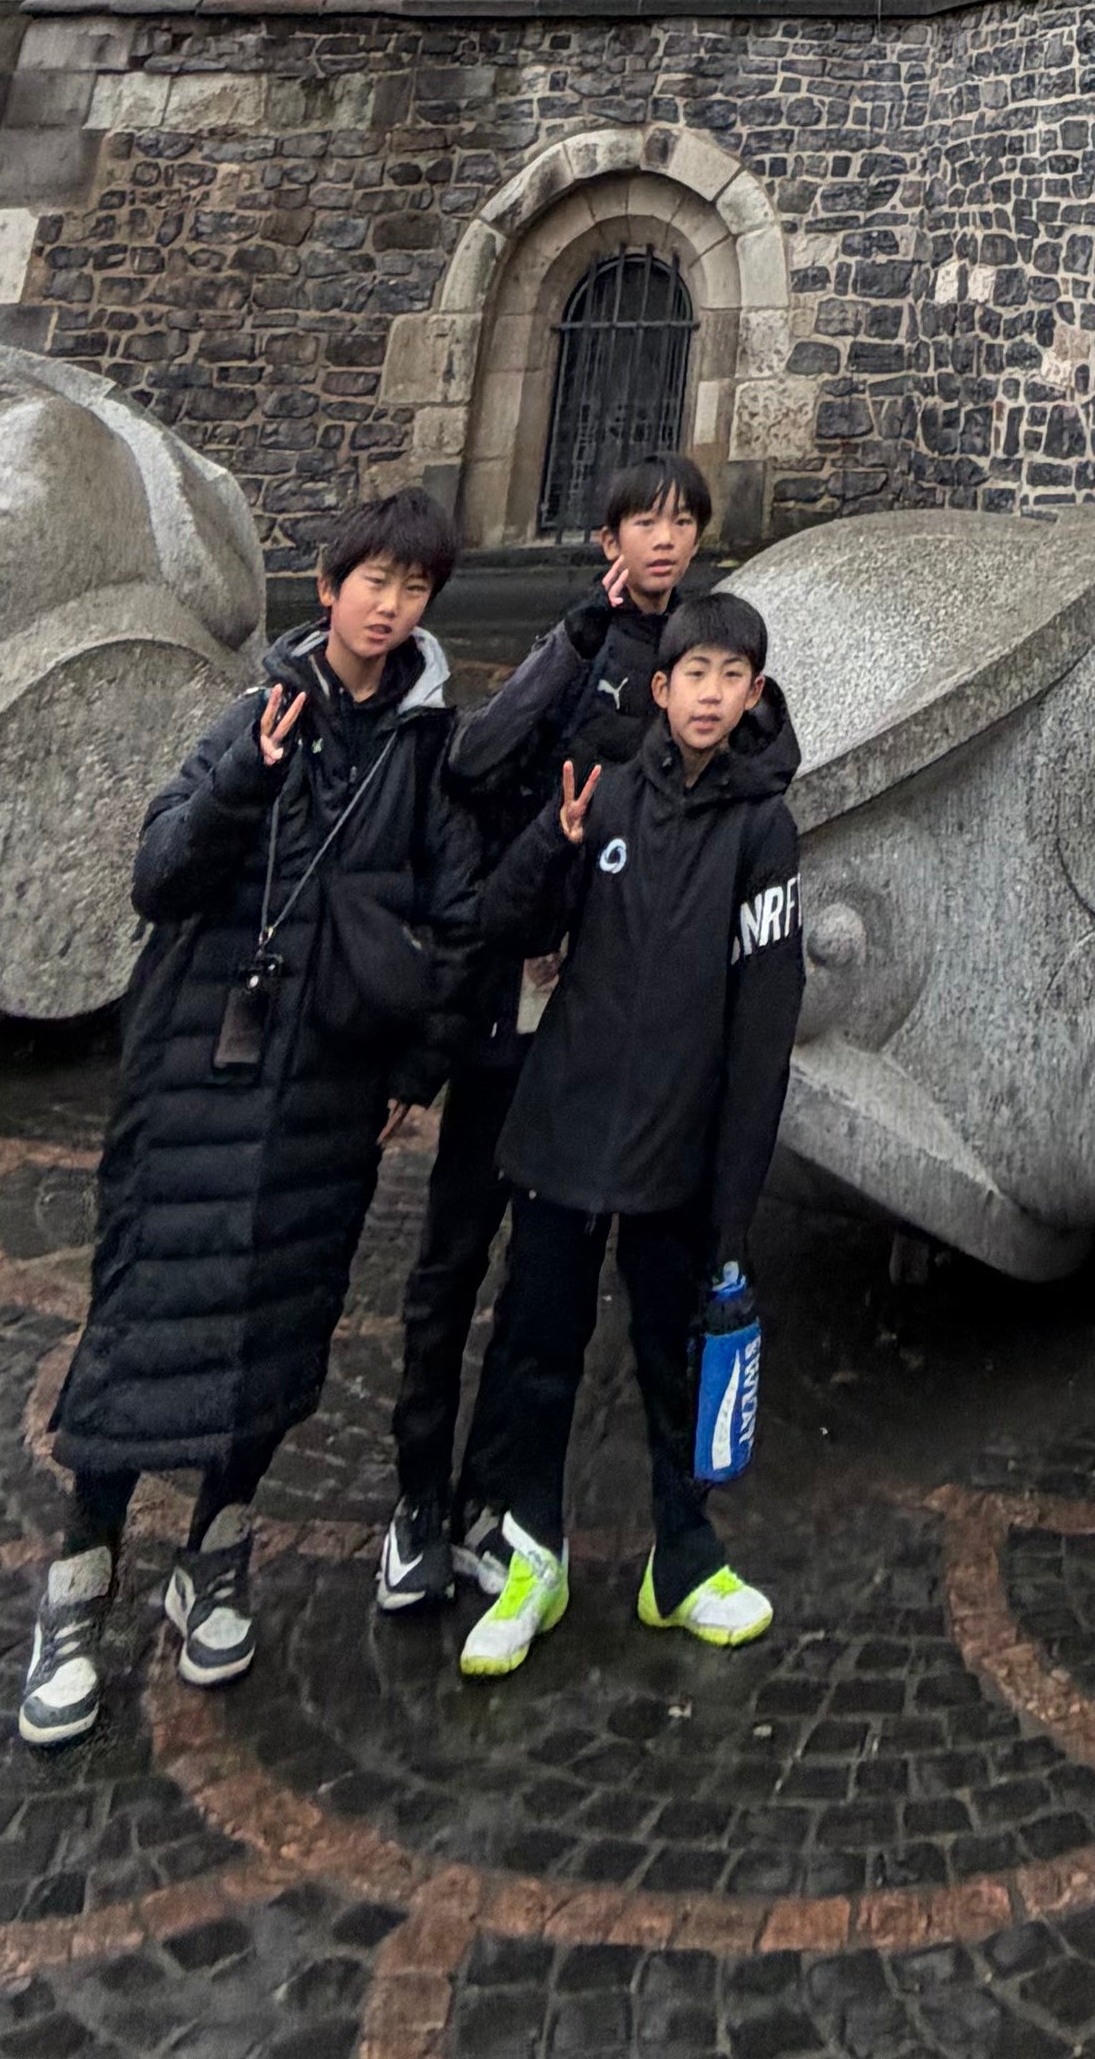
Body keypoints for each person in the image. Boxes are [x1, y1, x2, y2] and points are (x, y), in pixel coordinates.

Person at [16, 488, 467, 1752]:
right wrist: (241, 782)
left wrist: (416, 1067)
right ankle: (78, 1589)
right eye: (373, 582)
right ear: (329, 588)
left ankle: (216, 1552)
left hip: (328, 1079)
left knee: (283, 1313)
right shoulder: (257, 709)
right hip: (200, 1069)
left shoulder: (424, 749)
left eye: (413, 589)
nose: (389, 608)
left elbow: (456, 914)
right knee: (142, 1323)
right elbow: (159, 872)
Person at [450, 588, 807, 1672]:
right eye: (694, 675)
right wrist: (550, 848)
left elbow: (765, 1023)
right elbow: (503, 925)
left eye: (731, 679)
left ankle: (683, 1558)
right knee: (537, 1351)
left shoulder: (763, 830)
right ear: (661, 687)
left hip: (677, 1141)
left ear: (753, 693)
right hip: (566, 1124)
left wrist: (735, 1199)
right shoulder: (598, 793)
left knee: (673, 1356)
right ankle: (531, 1555)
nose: (710, 696)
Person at [383, 449, 709, 1611]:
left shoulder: (697, 661)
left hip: (593, 1008)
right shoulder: (573, 640)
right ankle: (417, 1500)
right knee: (453, 1255)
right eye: (643, 522)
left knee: (542, 1280)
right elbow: (475, 763)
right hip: (503, 997)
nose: (663, 539)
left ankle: (496, 1500)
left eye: (681, 521)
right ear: (608, 539)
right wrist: (576, 642)